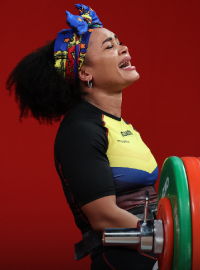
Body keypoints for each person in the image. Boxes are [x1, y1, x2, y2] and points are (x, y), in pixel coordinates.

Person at [7, 4, 159, 270]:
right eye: (109, 47)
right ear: (85, 73)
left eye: (119, 42)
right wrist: (170, 238)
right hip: (125, 260)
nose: (123, 48)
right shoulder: (80, 131)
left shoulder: (122, 126)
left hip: (154, 251)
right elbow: (103, 217)